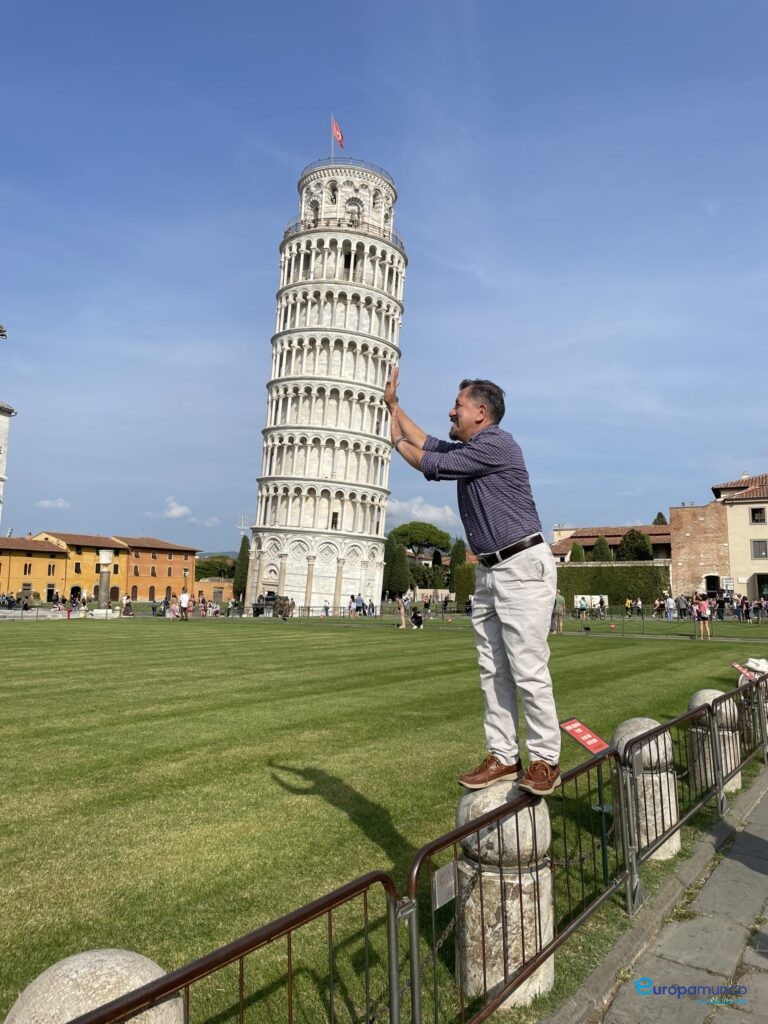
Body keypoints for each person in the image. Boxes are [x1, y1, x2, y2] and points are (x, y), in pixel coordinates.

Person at [385, 369, 560, 796]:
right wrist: (393, 407)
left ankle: (545, 760)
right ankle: (503, 756)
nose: (451, 410)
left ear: (481, 413)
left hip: (521, 565)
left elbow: (432, 461)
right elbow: (430, 443)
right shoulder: (474, 448)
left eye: (458, 405)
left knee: (527, 667)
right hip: (491, 570)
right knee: (492, 669)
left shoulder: (496, 443)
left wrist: (394, 442)